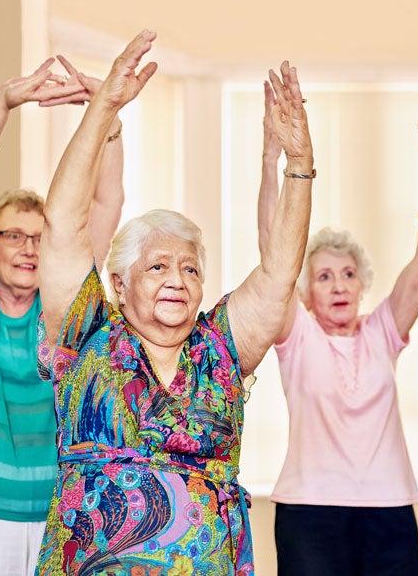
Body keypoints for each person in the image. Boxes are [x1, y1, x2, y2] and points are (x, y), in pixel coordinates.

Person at [35, 30, 316, 575]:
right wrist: (104, 107)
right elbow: (63, 224)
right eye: (158, 266)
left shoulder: (222, 350)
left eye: (190, 268)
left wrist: (298, 164)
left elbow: (280, 272)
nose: (177, 280)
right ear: (119, 283)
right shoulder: (87, 334)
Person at [0, 57, 126, 576]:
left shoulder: (63, 308)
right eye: (13, 235)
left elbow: (104, 201)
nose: (29, 248)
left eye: (39, 238)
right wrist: (1, 106)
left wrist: (109, 117)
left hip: (54, 515)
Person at [258, 86, 418, 575]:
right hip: (310, 512)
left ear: (362, 284)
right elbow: (272, 251)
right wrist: (270, 158)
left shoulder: (383, 333)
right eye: (323, 276)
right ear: (305, 291)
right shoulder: (297, 335)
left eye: (348, 274)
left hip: (388, 509)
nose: (338, 285)